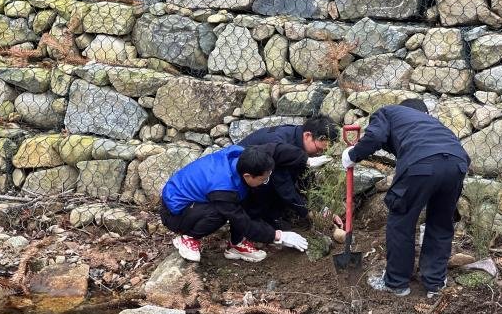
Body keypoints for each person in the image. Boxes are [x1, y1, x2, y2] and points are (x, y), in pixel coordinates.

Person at [341, 98, 470, 298]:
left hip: (421, 163)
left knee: (402, 220)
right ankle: (435, 283)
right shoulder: (433, 123)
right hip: (457, 164)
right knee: (441, 223)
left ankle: (396, 283)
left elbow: (375, 137)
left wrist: (353, 154)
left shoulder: (389, 112)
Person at [160, 144, 309, 264]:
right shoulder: (223, 189)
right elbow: (242, 221)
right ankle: (188, 238)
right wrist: (278, 236)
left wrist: (305, 160)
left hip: (200, 199)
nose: (266, 180)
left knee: (249, 193)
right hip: (175, 213)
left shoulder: (242, 154)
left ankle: (236, 244)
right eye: (263, 178)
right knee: (219, 214)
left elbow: (275, 149)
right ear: (247, 176)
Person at [239, 115, 341, 229]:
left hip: (262, 179)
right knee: (269, 182)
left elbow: (307, 180)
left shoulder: (298, 140)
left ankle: (272, 217)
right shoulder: (281, 145)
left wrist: (323, 209)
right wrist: (308, 213)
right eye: (319, 149)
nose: (319, 154)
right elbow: (284, 186)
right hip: (244, 182)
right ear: (307, 136)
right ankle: (257, 222)